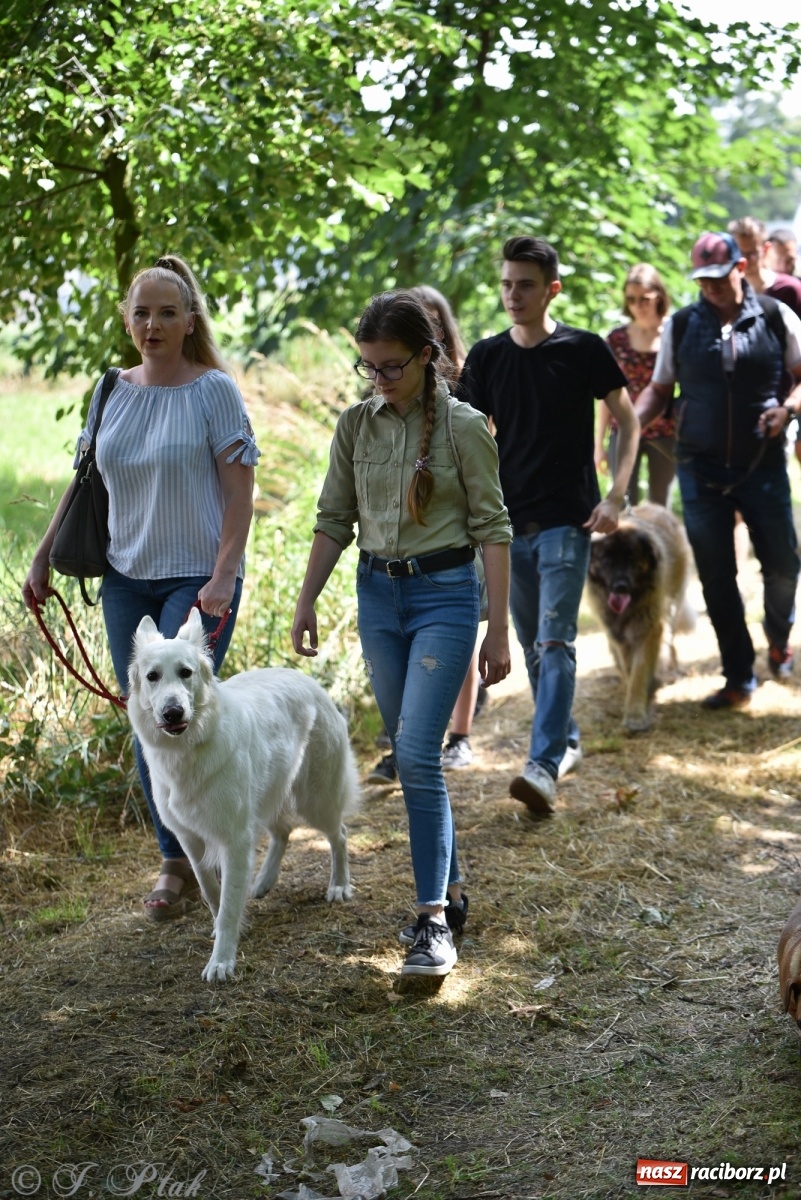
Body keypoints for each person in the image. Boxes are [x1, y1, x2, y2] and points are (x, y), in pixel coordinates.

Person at [22, 255, 260, 918]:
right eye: (141, 313)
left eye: (165, 312)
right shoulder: (110, 390)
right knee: (147, 720)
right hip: (125, 577)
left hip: (197, 576)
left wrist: (221, 576)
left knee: (190, 714)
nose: (151, 324)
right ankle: (173, 864)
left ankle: (221, 837)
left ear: (188, 322)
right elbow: (82, 479)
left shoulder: (214, 390)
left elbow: (240, 492)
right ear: (128, 322)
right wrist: (41, 559)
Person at [291, 290, 512, 977]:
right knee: (408, 753)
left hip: (443, 596)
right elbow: (334, 518)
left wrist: (496, 631)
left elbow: (493, 531)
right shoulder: (356, 426)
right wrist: (306, 601)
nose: (379, 380)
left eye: (390, 367)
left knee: (416, 756)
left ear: (426, 356)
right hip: (376, 598)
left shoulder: (464, 428)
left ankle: (431, 925)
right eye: (369, 369)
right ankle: (443, 884)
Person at [457, 236, 639, 817]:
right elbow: (463, 436)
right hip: (508, 529)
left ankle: (541, 765)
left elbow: (629, 424)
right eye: (507, 283)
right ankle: (567, 740)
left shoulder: (583, 349)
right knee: (537, 650)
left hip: (569, 520)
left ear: (551, 289)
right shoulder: (486, 358)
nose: (514, 294)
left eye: (526, 284)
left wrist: (616, 495)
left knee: (555, 642)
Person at [636, 231, 801, 709]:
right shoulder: (682, 325)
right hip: (700, 468)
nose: (709, 286)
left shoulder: (775, 316)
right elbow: (659, 388)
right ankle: (738, 675)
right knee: (716, 574)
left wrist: (787, 410)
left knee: (783, 567)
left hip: (761, 464)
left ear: (741, 268)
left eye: (718, 276)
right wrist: (630, 421)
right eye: (701, 279)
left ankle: (778, 633)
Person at [367, 284, 483, 784]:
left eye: (435, 321)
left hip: (451, 553)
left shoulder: (463, 399)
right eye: (372, 367)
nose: (380, 376)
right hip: (389, 569)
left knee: (456, 638)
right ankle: (409, 745)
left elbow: (484, 493)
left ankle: (459, 735)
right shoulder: (374, 407)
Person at [595, 264, 675, 507]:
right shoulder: (617, 339)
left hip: (666, 430)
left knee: (659, 505)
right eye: (631, 299)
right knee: (621, 502)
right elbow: (605, 393)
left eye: (645, 299)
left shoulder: (672, 333)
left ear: (658, 297)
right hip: (623, 427)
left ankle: (658, 547)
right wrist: (598, 444)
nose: (638, 306)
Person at [727, 217, 801, 317]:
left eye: (751, 254)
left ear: (766, 249)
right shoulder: (728, 294)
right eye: (740, 253)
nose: (744, 260)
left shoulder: (789, 289)